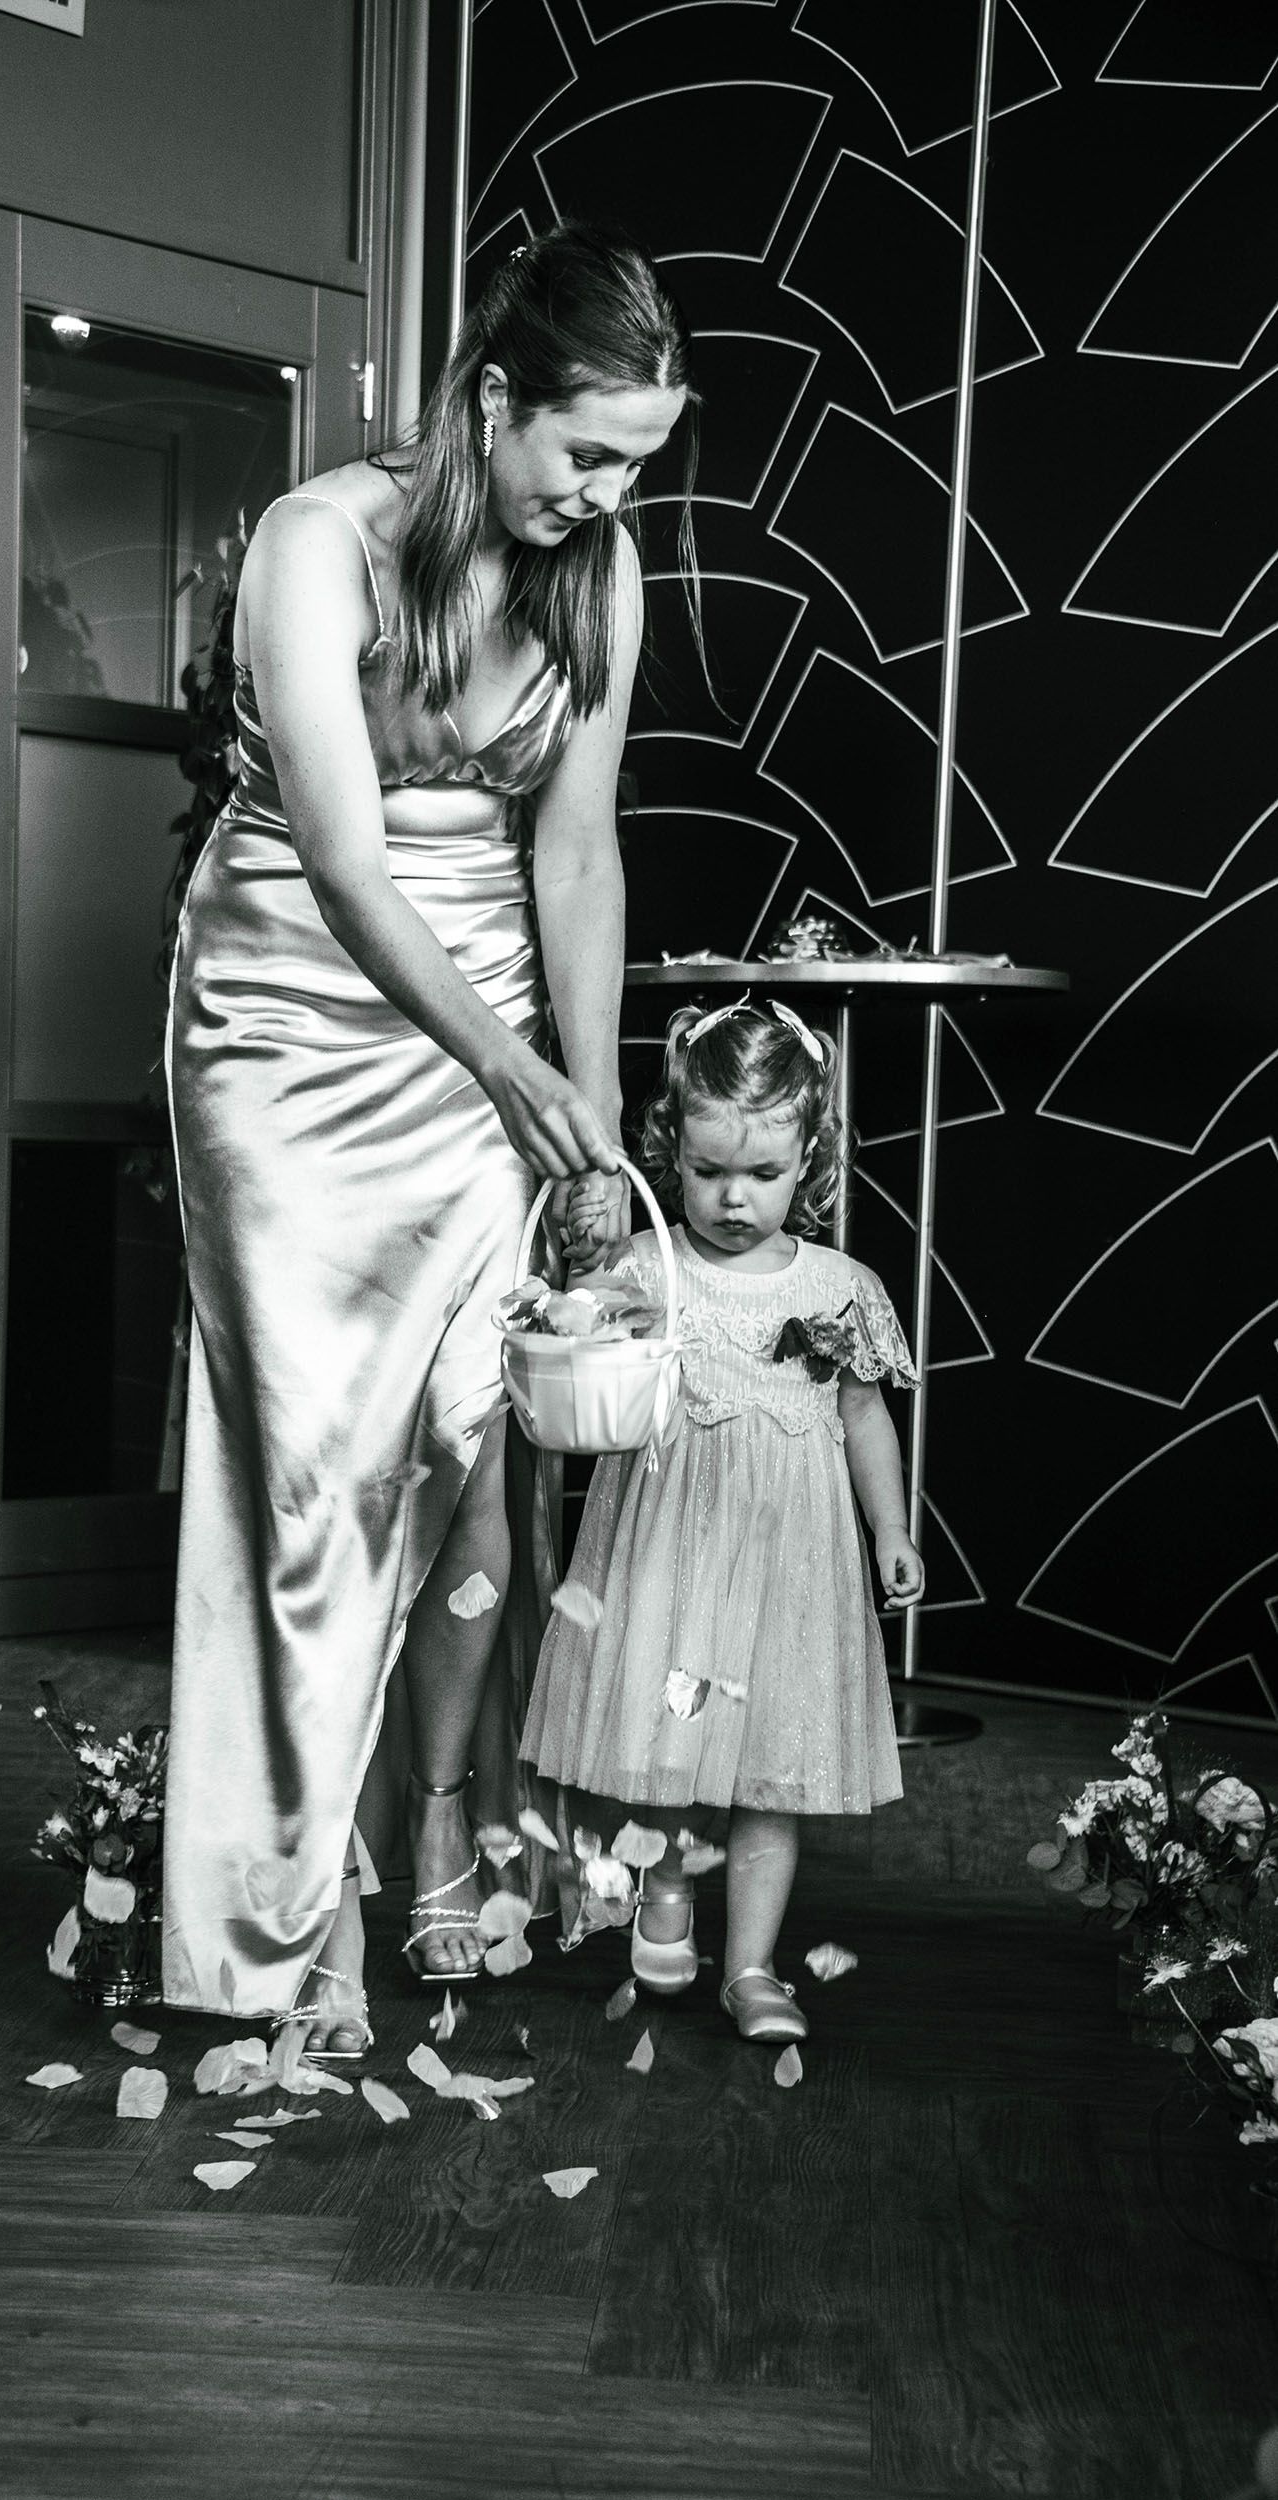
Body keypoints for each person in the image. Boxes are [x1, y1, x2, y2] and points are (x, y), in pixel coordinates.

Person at [163, 222, 700, 2053]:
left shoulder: (599, 570)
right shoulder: (317, 543)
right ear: (490, 399)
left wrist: (587, 1106)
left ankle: (444, 1822)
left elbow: (577, 852)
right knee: (314, 1466)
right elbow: (337, 859)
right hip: (289, 1022)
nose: (611, 495)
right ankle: (292, 1896)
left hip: (488, 1033)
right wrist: (505, 1070)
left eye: (639, 462)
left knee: (472, 1449)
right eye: (588, 451)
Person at [521, 999, 924, 2042]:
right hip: (673, 1552)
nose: (732, 1198)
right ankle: (662, 1888)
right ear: (671, 1151)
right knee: (667, 1743)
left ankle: (751, 1967)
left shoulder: (837, 1287)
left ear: (809, 1161)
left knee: (769, 1776)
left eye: (761, 1173)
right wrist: (580, 1289)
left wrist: (888, 1529)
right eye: (706, 1172)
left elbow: (863, 1416)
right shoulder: (649, 1267)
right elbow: (586, 1350)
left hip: (788, 1567)